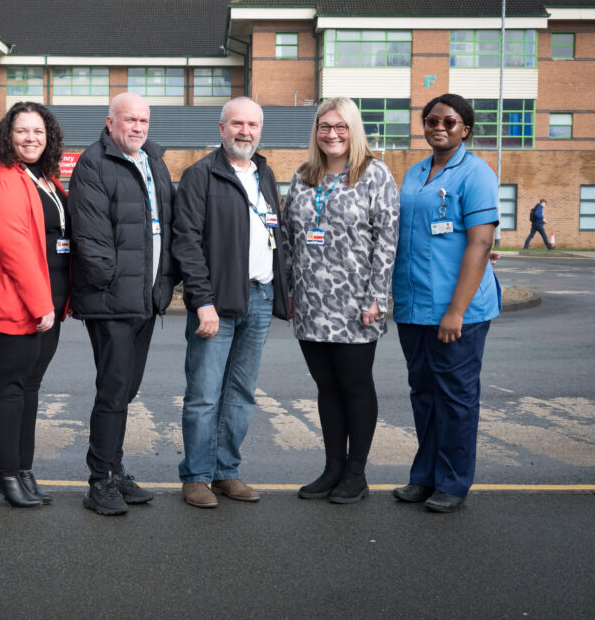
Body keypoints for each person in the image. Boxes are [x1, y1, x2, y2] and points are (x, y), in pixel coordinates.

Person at [172, 97, 290, 508]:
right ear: (221, 128)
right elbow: (186, 242)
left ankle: (226, 471)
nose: (245, 131)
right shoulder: (200, 175)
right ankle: (196, 476)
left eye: (253, 124)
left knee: (241, 392)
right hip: (216, 303)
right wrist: (201, 300)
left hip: (259, 296)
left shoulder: (265, 174)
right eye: (237, 123)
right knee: (204, 393)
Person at [283, 97, 400, 504]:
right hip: (311, 304)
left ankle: (356, 473)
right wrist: (291, 291)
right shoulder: (302, 177)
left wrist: (376, 298)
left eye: (340, 127)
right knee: (326, 387)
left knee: (354, 386)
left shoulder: (374, 175)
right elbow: (288, 239)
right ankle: (332, 467)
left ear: (353, 130)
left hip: (355, 305)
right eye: (324, 127)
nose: (332, 134)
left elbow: (387, 241)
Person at [392, 93, 501, 513]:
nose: (439, 127)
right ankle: (425, 476)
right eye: (431, 120)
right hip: (415, 306)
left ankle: (453, 482)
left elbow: (480, 243)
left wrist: (455, 310)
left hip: (458, 311)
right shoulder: (415, 172)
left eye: (449, 122)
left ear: (465, 129)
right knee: (424, 393)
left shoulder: (476, 173)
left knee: (455, 397)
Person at [68, 92, 176, 516]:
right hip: (112, 302)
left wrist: (163, 285)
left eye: (144, 120)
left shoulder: (154, 162)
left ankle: (114, 470)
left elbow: (165, 228)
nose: (138, 127)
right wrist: (114, 284)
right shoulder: (94, 163)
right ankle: (99, 481)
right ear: (110, 122)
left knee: (126, 390)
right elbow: (92, 240)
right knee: (113, 391)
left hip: (145, 301)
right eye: (129, 119)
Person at [0, 102, 69, 509]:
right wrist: (40, 303)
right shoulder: (2, 180)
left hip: (48, 305)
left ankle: (22, 469)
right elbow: (13, 247)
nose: (30, 138)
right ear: (7, 136)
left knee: (28, 389)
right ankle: (4, 473)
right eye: (21, 130)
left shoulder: (44, 178)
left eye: (38, 131)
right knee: (7, 390)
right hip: (14, 305)